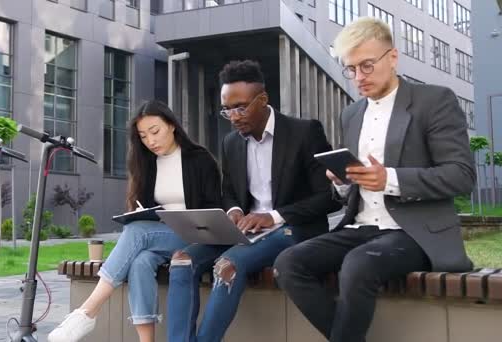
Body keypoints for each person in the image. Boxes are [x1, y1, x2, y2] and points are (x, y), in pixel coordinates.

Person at [274, 17, 475, 342]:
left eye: (366, 66)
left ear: (392, 57)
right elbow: (351, 192)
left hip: (413, 231)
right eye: (350, 69)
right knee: (288, 262)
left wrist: (389, 179)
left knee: (357, 266)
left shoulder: (435, 101)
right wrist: (342, 181)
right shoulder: (351, 114)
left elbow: (461, 175)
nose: (358, 78)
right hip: (360, 228)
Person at [166, 60, 340, 342]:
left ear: (263, 100)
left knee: (227, 266)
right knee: (182, 260)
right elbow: (230, 192)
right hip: (245, 231)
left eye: (241, 107)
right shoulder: (231, 143)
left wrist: (274, 216)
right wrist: (233, 211)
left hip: (292, 229)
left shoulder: (305, 132)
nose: (233, 117)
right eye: (227, 109)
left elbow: (329, 198)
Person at [48, 100, 221, 342]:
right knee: (140, 262)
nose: (150, 141)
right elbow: (142, 206)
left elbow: (214, 210)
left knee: (139, 231)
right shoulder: (145, 163)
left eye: (155, 131)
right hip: (160, 238)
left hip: (195, 236)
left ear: (172, 125)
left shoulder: (199, 159)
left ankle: (88, 311)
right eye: (143, 136)